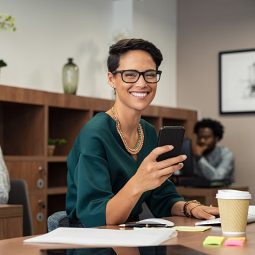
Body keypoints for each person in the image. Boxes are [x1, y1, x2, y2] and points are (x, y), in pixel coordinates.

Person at [66, 38, 219, 227]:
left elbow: (162, 197)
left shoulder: (148, 132)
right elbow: (97, 217)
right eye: (130, 75)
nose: (142, 83)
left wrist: (190, 208)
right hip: (93, 242)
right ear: (111, 79)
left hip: (131, 236)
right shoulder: (94, 133)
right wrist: (139, 182)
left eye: (150, 74)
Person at [193, 118, 234, 185]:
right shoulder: (194, 153)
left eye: (206, 137)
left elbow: (217, 177)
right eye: (199, 137)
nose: (202, 141)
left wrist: (200, 158)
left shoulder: (226, 154)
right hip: (198, 192)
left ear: (216, 138)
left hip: (224, 192)